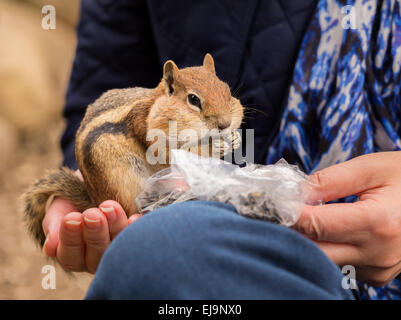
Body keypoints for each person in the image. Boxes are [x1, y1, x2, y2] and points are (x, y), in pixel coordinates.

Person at [42, 0, 401, 299]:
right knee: (148, 255)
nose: (225, 117)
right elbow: (107, 72)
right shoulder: (159, 117)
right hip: (197, 218)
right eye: (197, 103)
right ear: (169, 87)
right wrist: (86, 177)